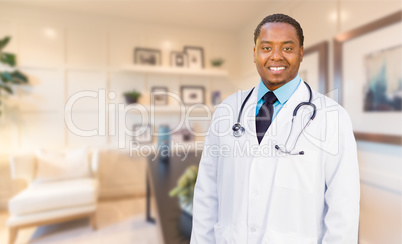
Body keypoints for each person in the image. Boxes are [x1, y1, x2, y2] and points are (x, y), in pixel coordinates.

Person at [190, 13, 360, 243]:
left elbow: (343, 206)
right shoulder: (227, 110)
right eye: (266, 47)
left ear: (301, 53)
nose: (276, 56)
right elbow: (206, 192)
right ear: (255, 53)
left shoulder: (332, 116)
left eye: (287, 48)